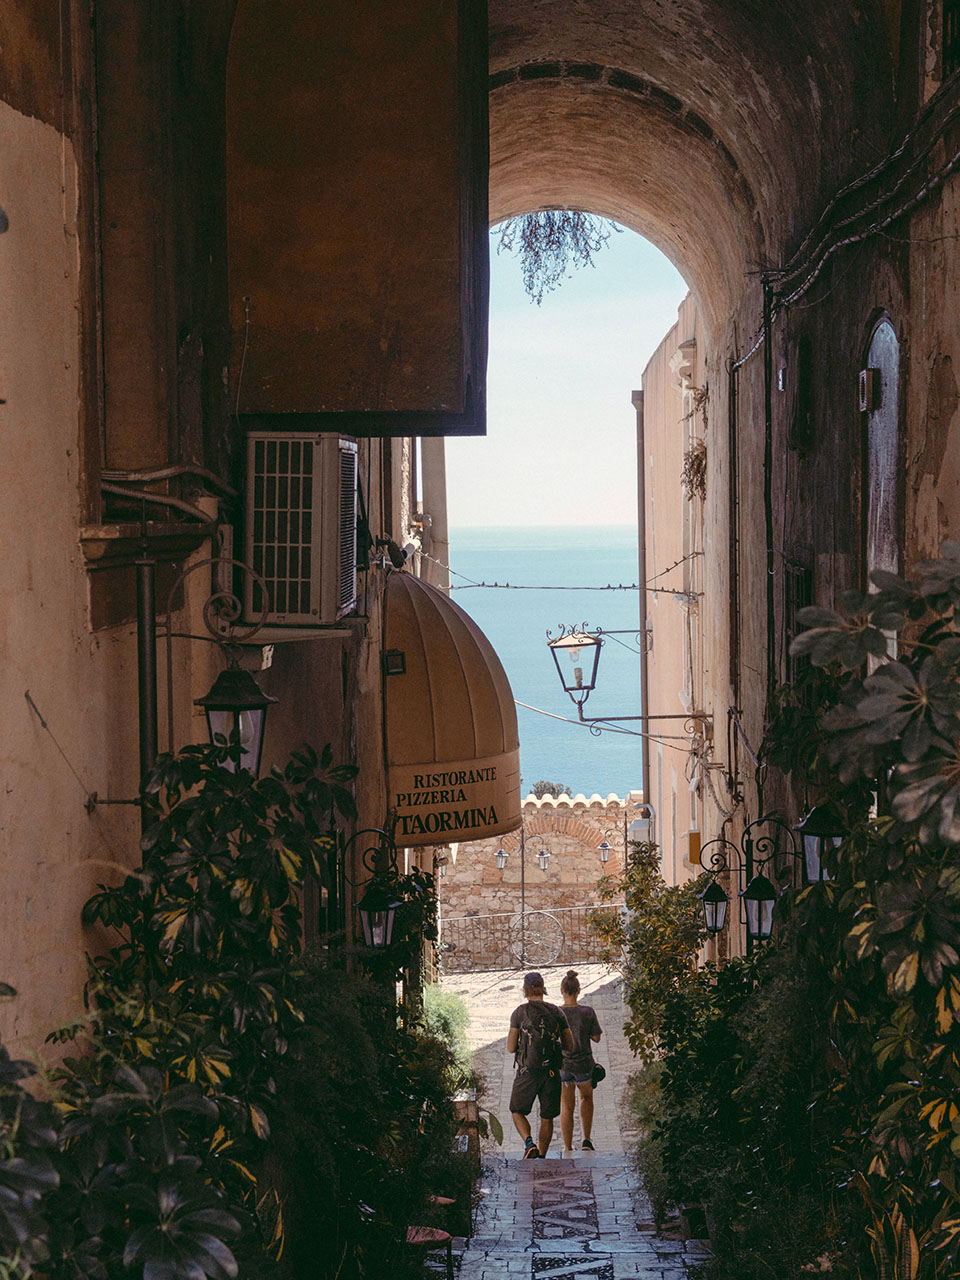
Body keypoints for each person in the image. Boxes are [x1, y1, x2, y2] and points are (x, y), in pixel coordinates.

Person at [507, 971, 575, 1159]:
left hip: (526, 1071)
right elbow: (570, 1045)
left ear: (525, 990)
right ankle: (542, 1158)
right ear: (543, 988)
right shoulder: (557, 1012)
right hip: (551, 1072)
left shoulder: (519, 1013)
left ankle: (529, 1143)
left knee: (517, 1110)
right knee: (547, 1117)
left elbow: (511, 1048)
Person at [558, 969, 603, 1154]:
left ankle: (568, 1146)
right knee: (586, 1099)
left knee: (567, 1106)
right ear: (579, 990)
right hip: (584, 1065)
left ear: (562, 990)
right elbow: (596, 1038)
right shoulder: (587, 1012)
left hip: (564, 1065)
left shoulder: (557, 1012)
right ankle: (586, 1139)